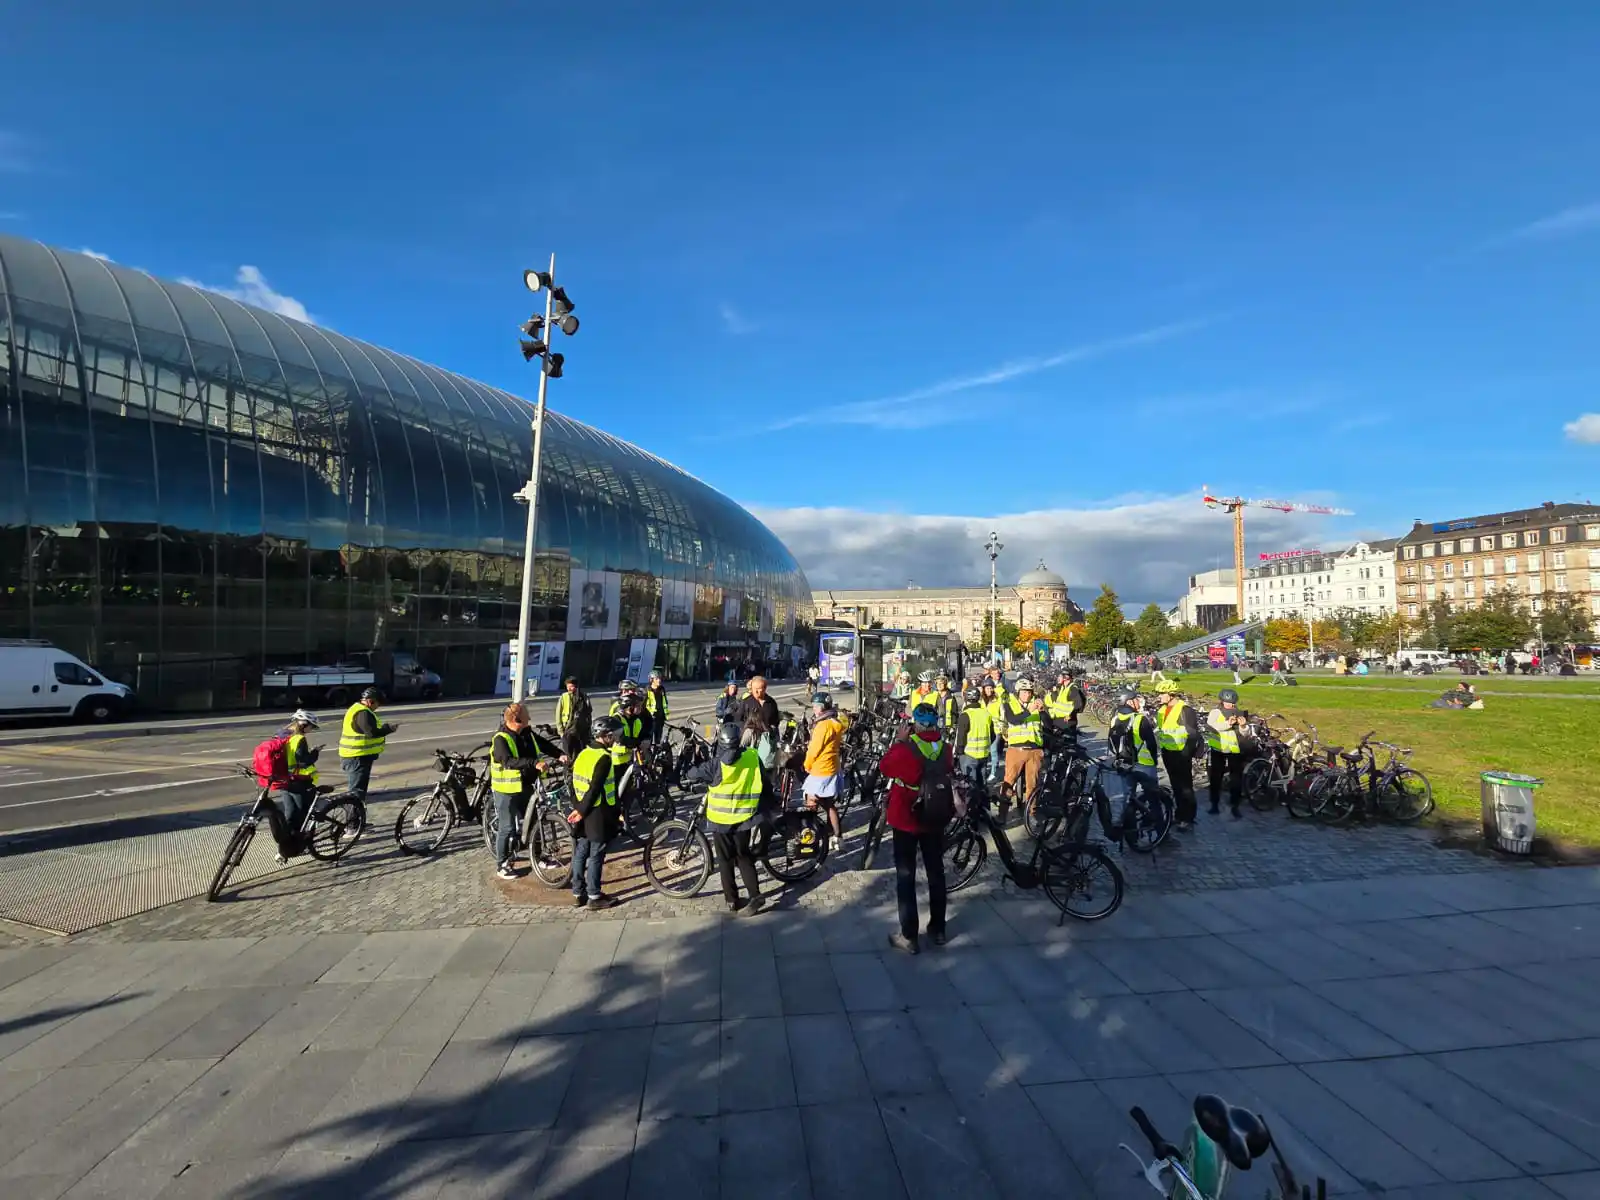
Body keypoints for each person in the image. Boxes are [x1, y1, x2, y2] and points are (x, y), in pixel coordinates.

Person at [878, 704, 950, 954]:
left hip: (907, 819)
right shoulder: (945, 748)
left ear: (915, 724)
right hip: (934, 817)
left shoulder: (906, 748)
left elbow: (885, 767)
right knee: (936, 873)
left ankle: (909, 935)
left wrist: (898, 741)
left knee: (906, 875)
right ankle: (938, 929)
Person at [700, 720, 772, 915]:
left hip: (720, 821)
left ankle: (731, 900)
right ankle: (755, 895)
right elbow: (765, 780)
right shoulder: (752, 756)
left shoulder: (715, 765)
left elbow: (691, 774)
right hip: (743, 818)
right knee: (743, 857)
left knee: (724, 860)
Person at [489, 701, 550, 880]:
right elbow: (508, 762)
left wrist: (560, 755)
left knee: (533, 822)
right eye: (525, 719)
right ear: (516, 719)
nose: (528, 722)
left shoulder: (526, 733)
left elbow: (543, 744)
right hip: (506, 790)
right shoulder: (500, 738)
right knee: (506, 827)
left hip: (525, 786)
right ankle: (502, 864)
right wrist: (533, 763)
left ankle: (537, 856)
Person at [568, 716, 622, 908]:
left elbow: (572, 782)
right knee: (596, 855)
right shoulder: (604, 758)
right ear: (605, 736)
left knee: (581, 851)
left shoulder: (583, 753)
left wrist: (577, 807)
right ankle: (594, 896)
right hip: (597, 812)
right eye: (614, 735)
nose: (616, 739)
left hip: (582, 809)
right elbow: (595, 788)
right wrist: (583, 811)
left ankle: (577, 892)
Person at [268, 709, 322, 860]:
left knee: (290, 814)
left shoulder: (280, 734)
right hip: (299, 782)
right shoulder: (299, 739)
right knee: (303, 814)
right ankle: (299, 845)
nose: (312, 730)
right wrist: (315, 753)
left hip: (284, 780)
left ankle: (285, 848)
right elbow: (304, 761)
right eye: (311, 727)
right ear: (304, 725)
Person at [1153, 681, 1200, 830]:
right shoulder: (1162, 710)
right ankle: (1179, 814)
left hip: (1182, 753)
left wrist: (1186, 753)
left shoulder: (1185, 710)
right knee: (1175, 785)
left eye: (1161, 694)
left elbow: (1193, 735)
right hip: (1168, 752)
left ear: (1171, 695)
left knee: (1186, 786)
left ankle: (1188, 817)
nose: (1158, 697)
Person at [801, 692, 846, 847]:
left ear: (821, 708)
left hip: (821, 768)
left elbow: (814, 749)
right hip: (832, 766)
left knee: (811, 800)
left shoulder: (823, 726)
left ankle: (810, 833)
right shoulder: (834, 722)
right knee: (828, 804)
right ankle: (837, 836)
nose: (813, 709)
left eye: (815, 706)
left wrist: (807, 764)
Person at [999, 677, 1045, 823]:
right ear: (1018, 692)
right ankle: (1002, 815)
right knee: (1008, 782)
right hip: (1016, 750)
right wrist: (1028, 711)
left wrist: (1043, 711)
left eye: (1030, 692)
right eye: (1024, 692)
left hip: (1034, 750)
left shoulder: (1035, 705)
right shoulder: (1009, 704)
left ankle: (1032, 813)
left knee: (1033, 784)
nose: (1027, 695)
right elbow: (1013, 720)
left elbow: (1048, 723)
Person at [338, 686, 396, 798]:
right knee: (356, 793)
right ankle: (354, 814)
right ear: (370, 701)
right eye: (377, 704)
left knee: (357, 790)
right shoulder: (363, 712)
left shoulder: (357, 709)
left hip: (356, 756)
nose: (377, 707)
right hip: (357, 758)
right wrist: (388, 729)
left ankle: (356, 813)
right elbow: (371, 732)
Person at [1205, 688, 1247, 818]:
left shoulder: (1238, 713)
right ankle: (1214, 804)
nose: (1231, 705)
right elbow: (1212, 726)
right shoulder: (1215, 712)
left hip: (1234, 749)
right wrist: (1228, 723)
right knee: (1216, 777)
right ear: (1222, 701)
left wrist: (1243, 726)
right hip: (1219, 749)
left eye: (1233, 703)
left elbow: (1244, 734)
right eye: (1228, 703)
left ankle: (1235, 805)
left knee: (1236, 779)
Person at [952, 685, 995, 789]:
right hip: (984, 755)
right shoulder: (986, 714)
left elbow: (961, 737)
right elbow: (992, 735)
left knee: (970, 785)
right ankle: (983, 804)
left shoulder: (965, 715)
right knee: (982, 784)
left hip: (968, 755)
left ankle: (972, 804)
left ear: (966, 699)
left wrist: (958, 753)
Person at [737, 675, 781, 771]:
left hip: (766, 739)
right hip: (750, 738)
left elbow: (776, 721)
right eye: (754, 689)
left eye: (759, 689)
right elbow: (738, 719)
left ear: (765, 689)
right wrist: (744, 731)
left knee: (764, 767)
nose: (756, 691)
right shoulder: (746, 702)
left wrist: (773, 736)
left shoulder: (771, 703)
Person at [555, 676, 591, 761]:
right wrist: (561, 731)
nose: (569, 689)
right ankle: (567, 772)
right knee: (568, 756)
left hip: (580, 731)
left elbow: (588, 713)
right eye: (568, 686)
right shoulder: (564, 697)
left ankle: (574, 771)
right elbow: (558, 714)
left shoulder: (584, 697)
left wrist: (588, 728)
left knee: (579, 754)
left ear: (576, 686)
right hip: (568, 730)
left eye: (571, 686)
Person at [643, 669, 671, 744]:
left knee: (658, 740)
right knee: (649, 740)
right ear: (652, 680)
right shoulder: (647, 690)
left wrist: (665, 715)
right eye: (657, 678)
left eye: (660, 678)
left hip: (660, 718)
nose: (659, 680)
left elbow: (665, 703)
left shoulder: (662, 689)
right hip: (651, 719)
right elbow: (643, 705)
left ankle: (656, 753)